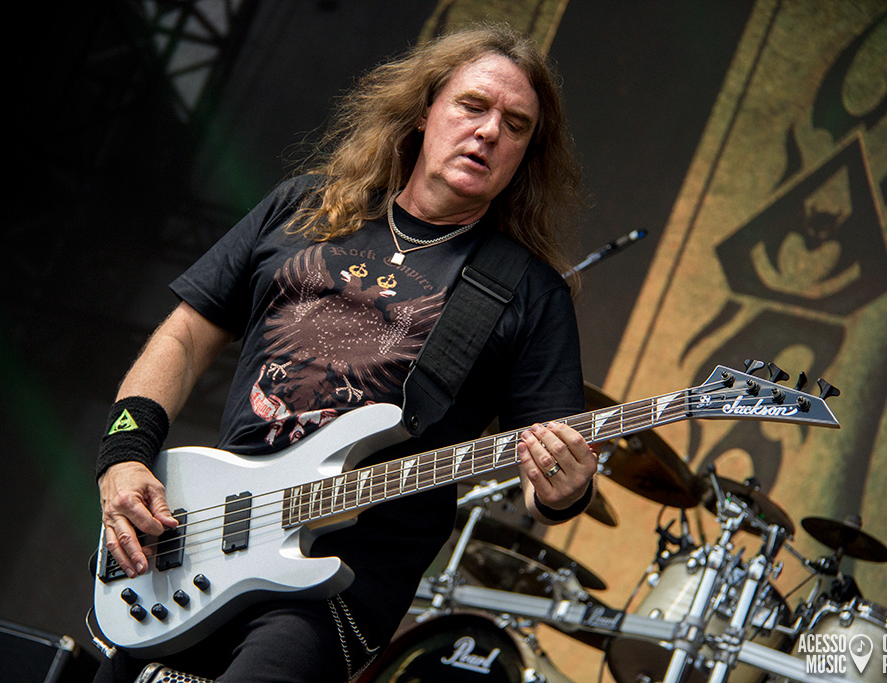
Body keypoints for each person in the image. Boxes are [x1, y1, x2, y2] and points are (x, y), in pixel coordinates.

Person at [93, 22, 596, 683]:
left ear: (526, 152)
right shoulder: (305, 207)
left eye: (516, 124)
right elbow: (182, 338)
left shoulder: (526, 291)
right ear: (425, 112)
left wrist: (566, 489)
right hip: (202, 542)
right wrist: (125, 454)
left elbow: (547, 471)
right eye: (473, 106)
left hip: (341, 585)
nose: (489, 132)